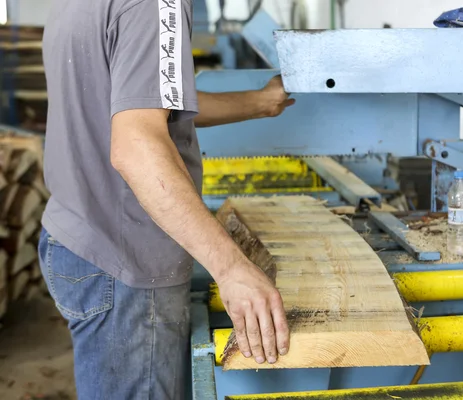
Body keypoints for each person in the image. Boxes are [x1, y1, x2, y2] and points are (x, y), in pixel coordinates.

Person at [39, 0, 295, 398]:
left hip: (77, 235)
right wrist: (232, 269)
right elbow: (137, 145)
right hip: (127, 260)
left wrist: (258, 103)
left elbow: (144, 101)